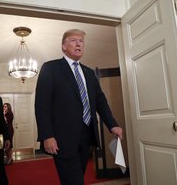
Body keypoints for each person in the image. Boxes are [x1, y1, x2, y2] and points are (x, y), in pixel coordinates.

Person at [35, 29, 123, 185]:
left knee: (76, 178)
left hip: (87, 137)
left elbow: (100, 101)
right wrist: (47, 135)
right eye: (73, 40)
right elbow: (42, 104)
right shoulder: (51, 68)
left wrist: (113, 125)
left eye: (81, 41)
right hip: (61, 139)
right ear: (63, 46)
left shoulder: (89, 73)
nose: (78, 44)